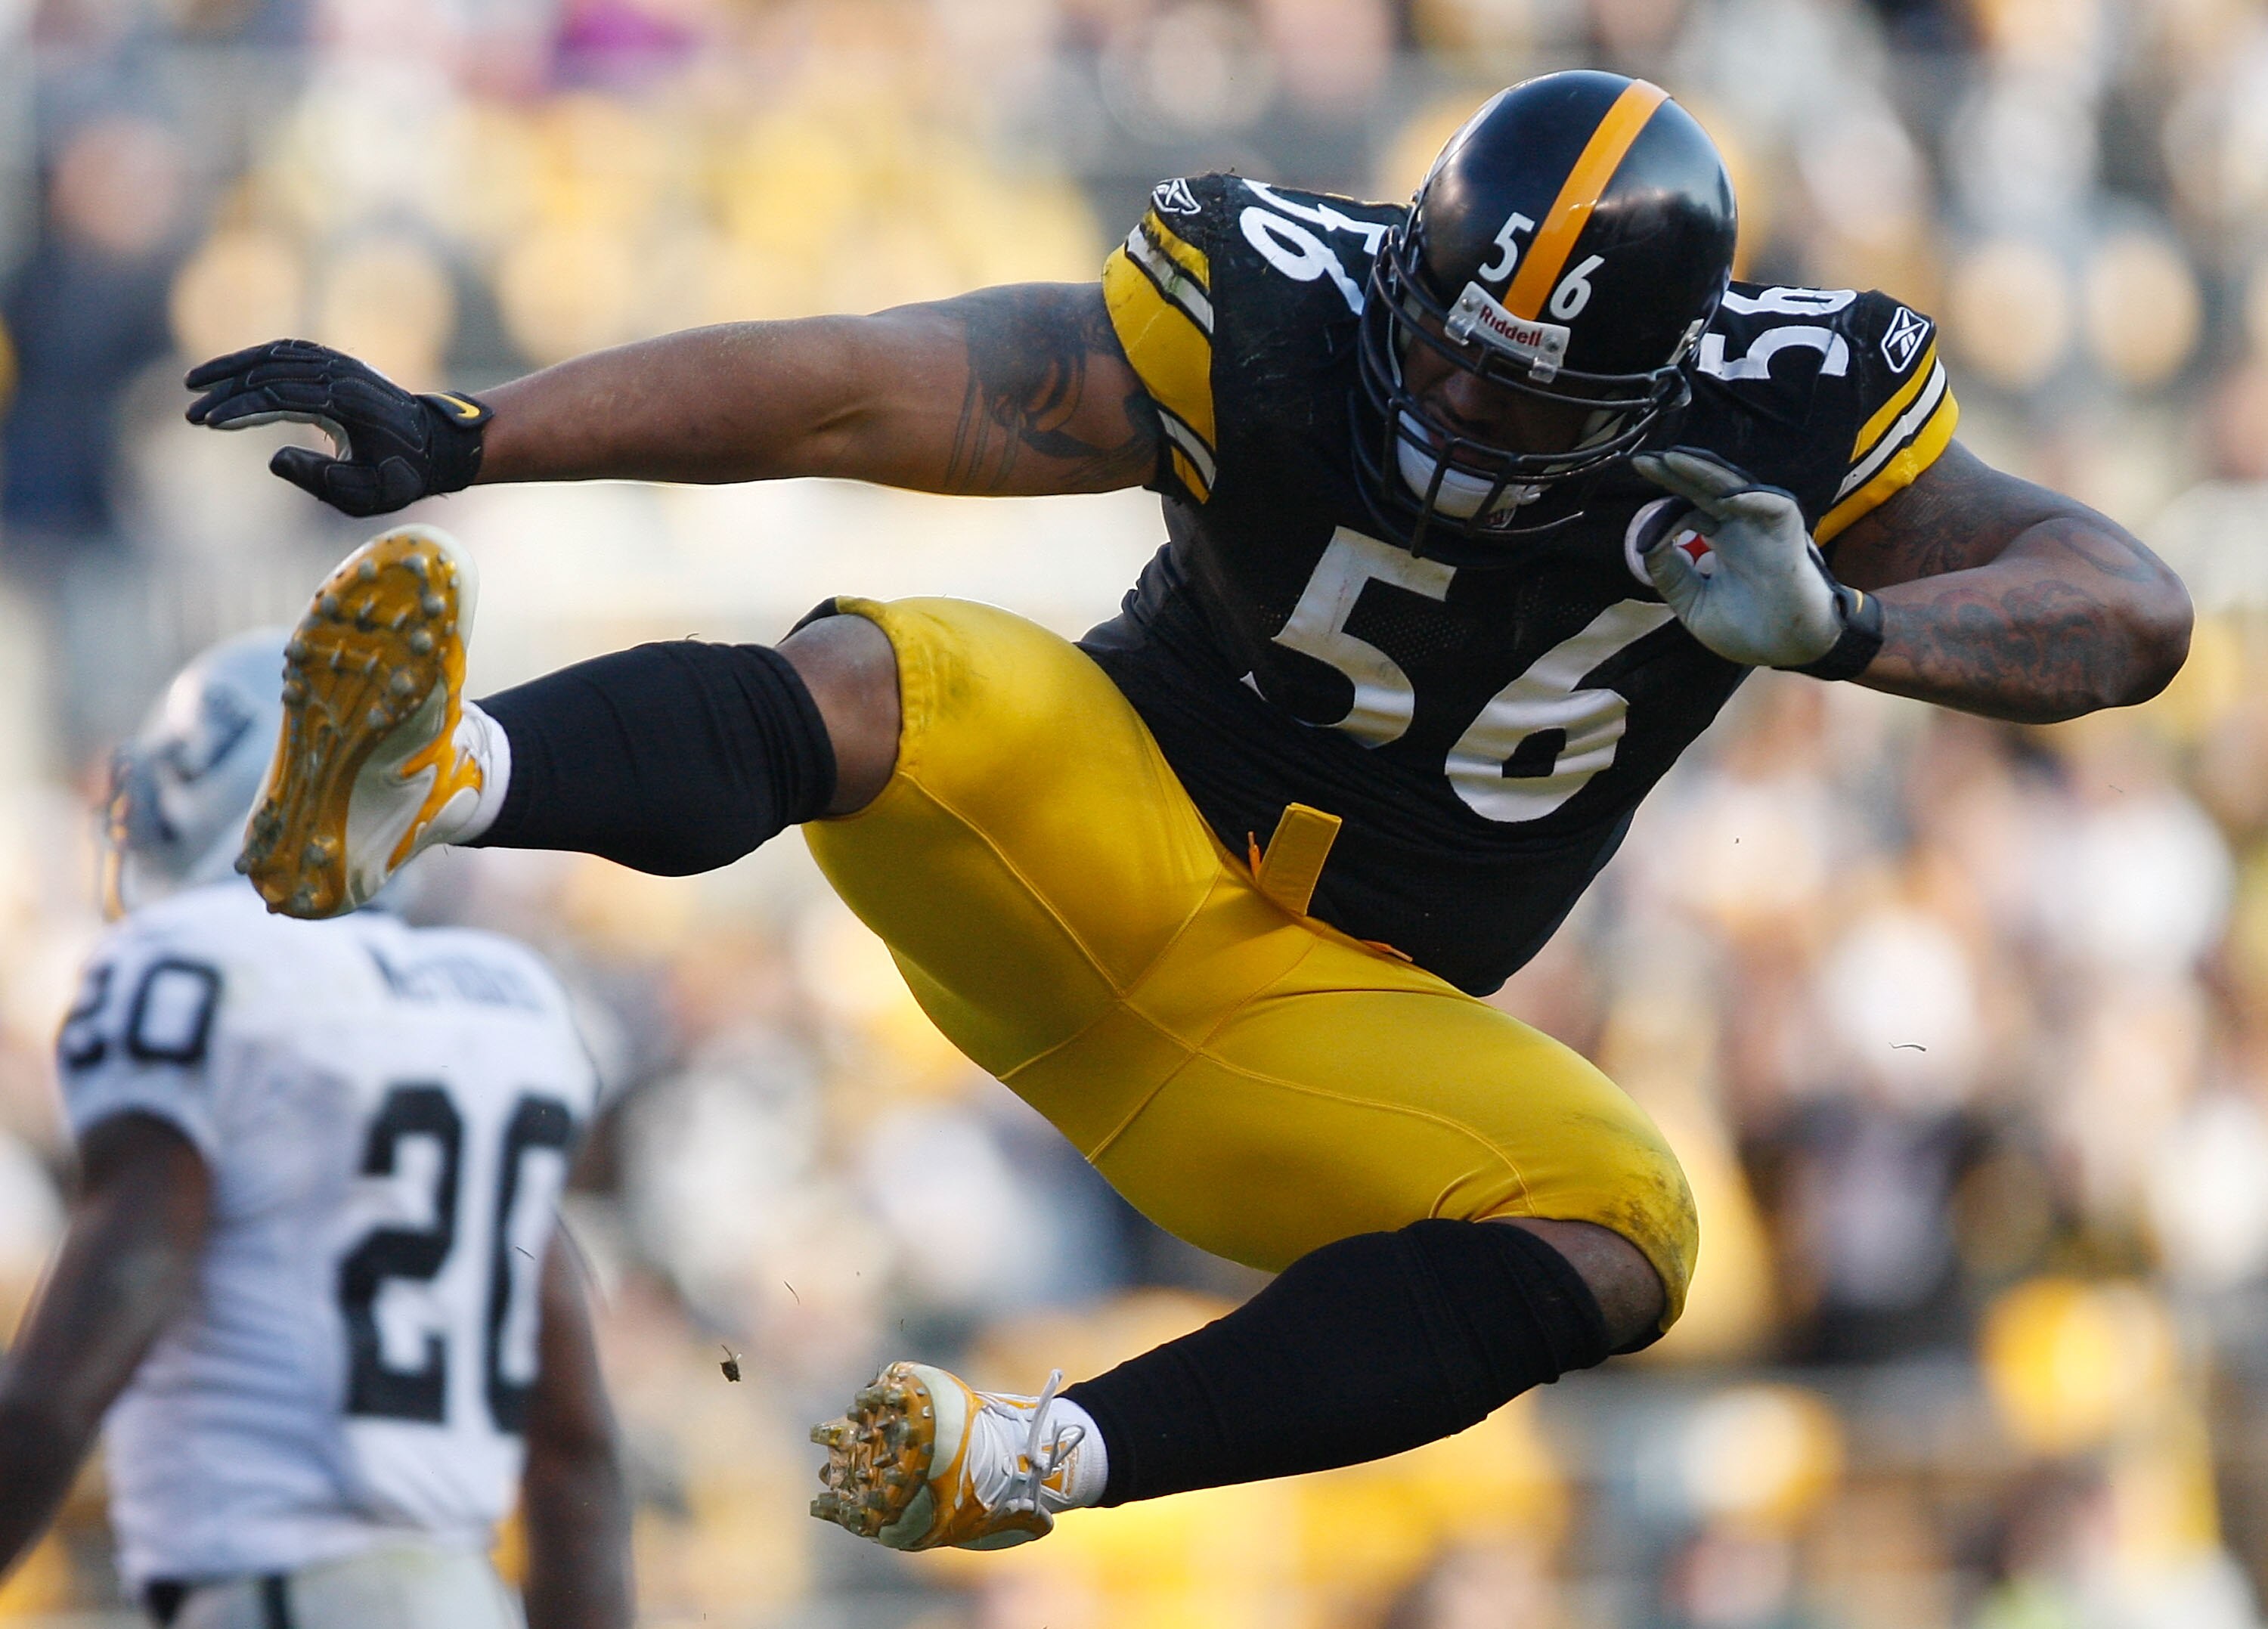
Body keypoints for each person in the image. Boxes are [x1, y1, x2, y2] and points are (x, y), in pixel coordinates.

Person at [181, 71, 2189, 1554]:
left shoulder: (1796, 412)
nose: (1461, 411)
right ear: (1410, 265)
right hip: (1087, 835)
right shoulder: (1284, 307)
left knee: (1629, 1226)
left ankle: (1033, 1458)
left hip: (1329, 1025)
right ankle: (418, 784)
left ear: (1663, 387)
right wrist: (473, 431)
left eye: (1527, 400)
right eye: (1449, 349)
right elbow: (871, 390)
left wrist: (1848, 626)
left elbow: (2129, 605)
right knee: (892, 668)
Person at [0, 631, 632, 1627]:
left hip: (280, 1594)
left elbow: (76, 1363)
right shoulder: (495, 1003)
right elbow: (576, 1451)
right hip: (461, 1598)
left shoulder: (207, 969)